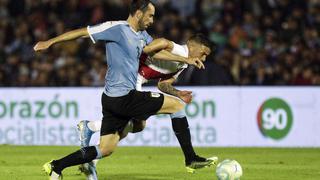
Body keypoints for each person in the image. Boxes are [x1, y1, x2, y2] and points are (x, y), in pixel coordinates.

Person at [33, 0, 204, 179]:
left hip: (113, 99)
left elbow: (154, 52)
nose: (152, 20)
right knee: (176, 107)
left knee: (106, 148)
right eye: (150, 15)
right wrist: (50, 42)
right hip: (123, 97)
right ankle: (190, 158)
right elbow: (83, 32)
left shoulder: (142, 34)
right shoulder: (116, 28)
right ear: (138, 13)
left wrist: (185, 60)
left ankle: (56, 166)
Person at [77, 34, 217, 180]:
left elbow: (162, 84)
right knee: (174, 108)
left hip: (135, 84)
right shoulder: (179, 51)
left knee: (136, 126)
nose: (204, 58)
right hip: (128, 81)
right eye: (203, 53)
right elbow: (150, 48)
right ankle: (190, 157)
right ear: (192, 45)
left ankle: (92, 140)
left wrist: (178, 93)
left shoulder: (184, 64)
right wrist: (184, 59)